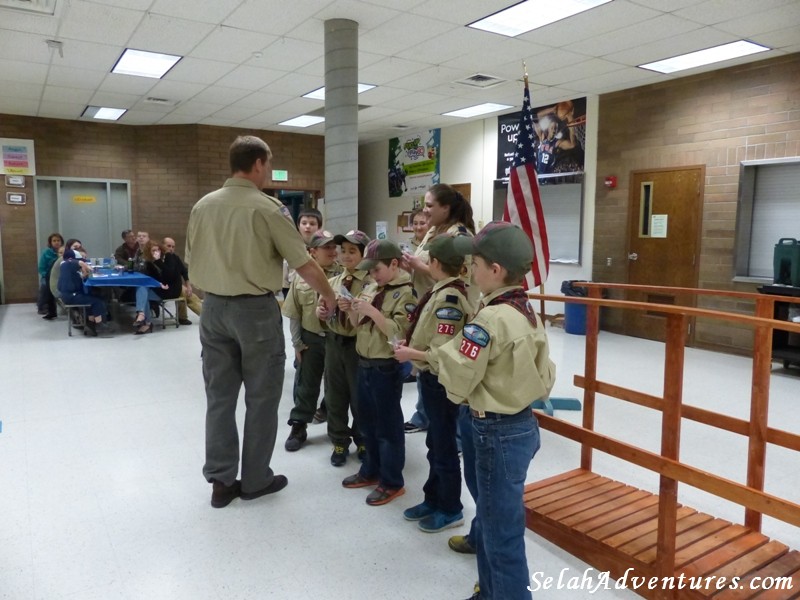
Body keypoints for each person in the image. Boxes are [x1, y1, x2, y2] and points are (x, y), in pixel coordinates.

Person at [185, 135, 336, 509]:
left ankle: (221, 483)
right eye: (267, 165)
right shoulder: (268, 209)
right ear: (256, 164)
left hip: (213, 310)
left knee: (219, 398)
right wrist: (329, 295)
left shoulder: (202, 206)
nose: (268, 171)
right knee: (262, 397)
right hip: (254, 312)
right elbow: (303, 262)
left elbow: (192, 260)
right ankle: (254, 479)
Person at [425, 222, 556, 600]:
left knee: (501, 534)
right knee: (496, 522)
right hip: (519, 425)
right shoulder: (525, 310)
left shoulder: (491, 319)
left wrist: (437, 359)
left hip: (496, 431)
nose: (469, 271)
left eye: (475, 263)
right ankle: (489, 592)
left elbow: (460, 378)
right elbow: (545, 375)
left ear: (495, 270)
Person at [393, 235, 473, 534]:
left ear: (434, 263)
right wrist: (411, 344)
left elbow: (445, 352)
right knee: (434, 444)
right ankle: (433, 498)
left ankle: (451, 507)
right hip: (430, 378)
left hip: (440, 382)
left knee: (444, 446)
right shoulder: (440, 291)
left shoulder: (449, 299)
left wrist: (410, 354)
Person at [336, 239, 416, 506]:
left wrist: (372, 310)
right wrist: (352, 310)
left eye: (377, 269)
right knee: (367, 423)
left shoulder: (406, 293)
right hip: (364, 361)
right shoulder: (372, 286)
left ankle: (392, 481)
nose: (372, 275)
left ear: (394, 264)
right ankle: (370, 470)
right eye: (369, 271)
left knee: (388, 427)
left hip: (386, 366)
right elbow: (359, 325)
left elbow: (398, 332)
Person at [402, 183, 476, 434]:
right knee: (425, 366)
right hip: (428, 305)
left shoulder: (460, 236)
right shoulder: (434, 229)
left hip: (449, 309)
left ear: (446, 208)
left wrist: (417, 265)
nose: (425, 210)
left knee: (446, 367)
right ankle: (424, 416)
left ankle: (454, 432)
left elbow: (459, 279)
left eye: (430, 205)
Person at [282, 229, 342, 452]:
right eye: (326, 247)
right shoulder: (300, 278)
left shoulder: (344, 275)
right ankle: (299, 425)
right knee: (306, 385)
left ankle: (337, 432)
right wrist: (297, 343)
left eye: (333, 247)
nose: (332, 251)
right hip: (311, 338)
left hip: (337, 338)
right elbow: (294, 313)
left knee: (336, 387)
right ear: (312, 252)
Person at [316, 229, 371, 467]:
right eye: (343, 251)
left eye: (352, 251)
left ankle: (362, 438)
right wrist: (321, 313)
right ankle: (339, 440)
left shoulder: (370, 284)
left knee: (360, 396)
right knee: (334, 394)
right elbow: (322, 311)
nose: (346, 256)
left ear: (364, 254)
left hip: (358, 346)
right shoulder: (333, 282)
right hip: (334, 343)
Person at [57, 249, 107, 337]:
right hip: (70, 296)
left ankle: (90, 325)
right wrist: (88, 267)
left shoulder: (67, 268)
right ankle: (100, 325)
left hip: (69, 295)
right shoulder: (66, 264)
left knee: (91, 297)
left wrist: (83, 275)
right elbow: (75, 262)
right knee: (96, 301)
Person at [132, 240, 170, 335]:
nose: (156, 252)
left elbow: (166, 276)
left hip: (164, 290)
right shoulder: (148, 263)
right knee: (142, 289)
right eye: (153, 251)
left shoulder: (165, 260)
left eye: (158, 250)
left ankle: (145, 320)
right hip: (153, 288)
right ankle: (143, 317)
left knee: (142, 292)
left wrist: (157, 262)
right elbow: (143, 275)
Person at [163, 236, 202, 324]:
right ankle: (183, 317)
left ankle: (206, 315)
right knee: (184, 294)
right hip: (164, 287)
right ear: (162, 245)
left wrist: (189, 286)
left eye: (173, 247)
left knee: (191, 295)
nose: (171, 249)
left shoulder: (175, 257)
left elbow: (184, 271)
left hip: (176, 285)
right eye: (168, 246)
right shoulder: (160, 258)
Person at [38, 232, 63, 320]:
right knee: (46, 287)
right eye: (54, 241)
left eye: (58, 240)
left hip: (62, 275)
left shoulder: (64, 251)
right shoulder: (46, 253)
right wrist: (46, 276)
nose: (56, 242)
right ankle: (45, 308)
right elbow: (41, 267)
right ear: (50, 242)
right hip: (48, 275)